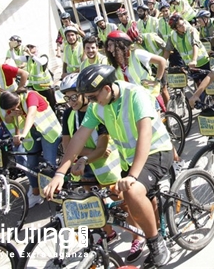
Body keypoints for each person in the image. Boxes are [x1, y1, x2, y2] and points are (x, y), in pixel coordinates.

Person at [43, 64, 174, 267]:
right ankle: (153, 224)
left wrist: (132, 176)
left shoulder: (135, 94)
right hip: (129, 158)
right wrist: (60, 172)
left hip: (155, 151)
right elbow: (78, 138)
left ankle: (156, 243)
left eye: (93, 96)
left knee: (132, 192)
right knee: (127, 198)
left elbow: (145, 137)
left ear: (107, 88)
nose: (91, 102)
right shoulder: (97, 105)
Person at [58, 74, 126, 252]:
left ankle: (137, 236)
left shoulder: (97, 110)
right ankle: (109, 233)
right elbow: (67, 144)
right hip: (85, 168)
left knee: (123, 201)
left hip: (107, 168)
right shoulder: (68, 114)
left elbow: (102, 148)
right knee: (94, 205)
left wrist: (81, 151)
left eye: (74, 97)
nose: (71, 102)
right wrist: (86, 153)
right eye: (67, 98)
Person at [0, 89, 62, 208]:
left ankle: (56, 194)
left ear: (16, 100)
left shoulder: (31, 96)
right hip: (31, 135)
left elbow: (31, 114)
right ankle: (36, 193)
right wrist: (11, 115)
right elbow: (7, 120)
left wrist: (22, 134)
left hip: (48, 131)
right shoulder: (12, 103)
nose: (13, 109)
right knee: (30, 165)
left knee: (49, 164)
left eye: (13, 107)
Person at [21, 43, 57, 112]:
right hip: (36, 87)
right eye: (28, 47)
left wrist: (31, 54)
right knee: (42, 105)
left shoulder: (43, 56)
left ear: (36, 47)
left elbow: (41, 62)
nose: (29, 48)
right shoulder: (29, 58)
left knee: (52, 105)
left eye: (32, 46)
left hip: (46, 87)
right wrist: (12, 49)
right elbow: (16, 58)